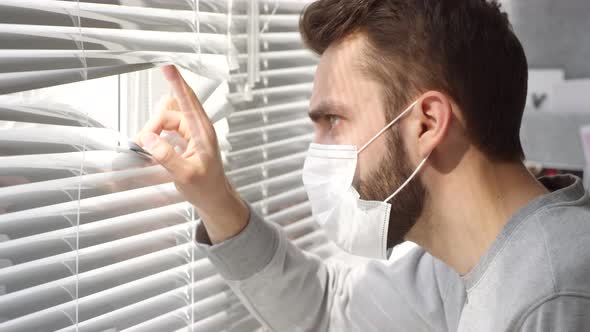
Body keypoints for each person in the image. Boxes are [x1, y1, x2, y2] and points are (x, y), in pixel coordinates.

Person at [135, 0, 590, 330]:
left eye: (333, 120)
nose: (316, 154)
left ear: (426, 123)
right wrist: (216, 200)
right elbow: (328, 311)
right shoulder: (462, 263)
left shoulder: (551, 297)